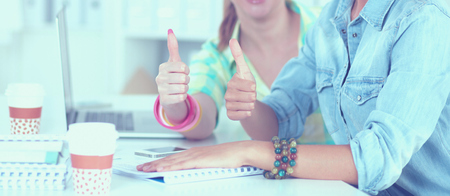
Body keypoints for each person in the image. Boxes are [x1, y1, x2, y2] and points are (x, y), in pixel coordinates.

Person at [139, 0, 450, 195]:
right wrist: (247, 107)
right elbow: (280, 118)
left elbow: (378, 158)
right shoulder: (332, 18)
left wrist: (249, 152)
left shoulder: (425, 16)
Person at [155, 0, 333, 144]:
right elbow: (201, 118)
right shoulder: (217, 54)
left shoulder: (333, 24)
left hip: (343, 185)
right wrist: (175, 104)